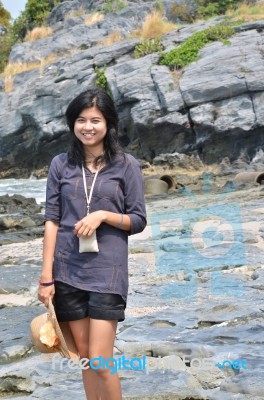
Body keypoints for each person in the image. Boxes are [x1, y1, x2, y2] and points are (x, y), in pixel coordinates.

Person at [38, 88, 147, 400]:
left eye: (95, 120)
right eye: (81, 120)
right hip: (66, 270)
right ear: (73, 123)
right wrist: (47, 276)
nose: (88, 126)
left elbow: (138, 219)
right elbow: (52, 220)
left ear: (108, 124)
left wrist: (103, 215)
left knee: (100, 359)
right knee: (85, 356)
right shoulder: (60, 164)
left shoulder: (126, 165)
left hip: (107, 273)